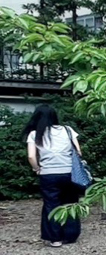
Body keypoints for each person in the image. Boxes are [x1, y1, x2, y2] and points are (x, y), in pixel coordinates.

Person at [23, 104, 82, 247]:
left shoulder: (35, 134)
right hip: (69, 173)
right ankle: (71, 236)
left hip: (48, 174)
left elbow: (31, 156)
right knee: (71, 203)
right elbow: (79, 152)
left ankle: (55, 239)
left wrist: (37, 168)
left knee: (51, 205)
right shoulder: (68, 130)